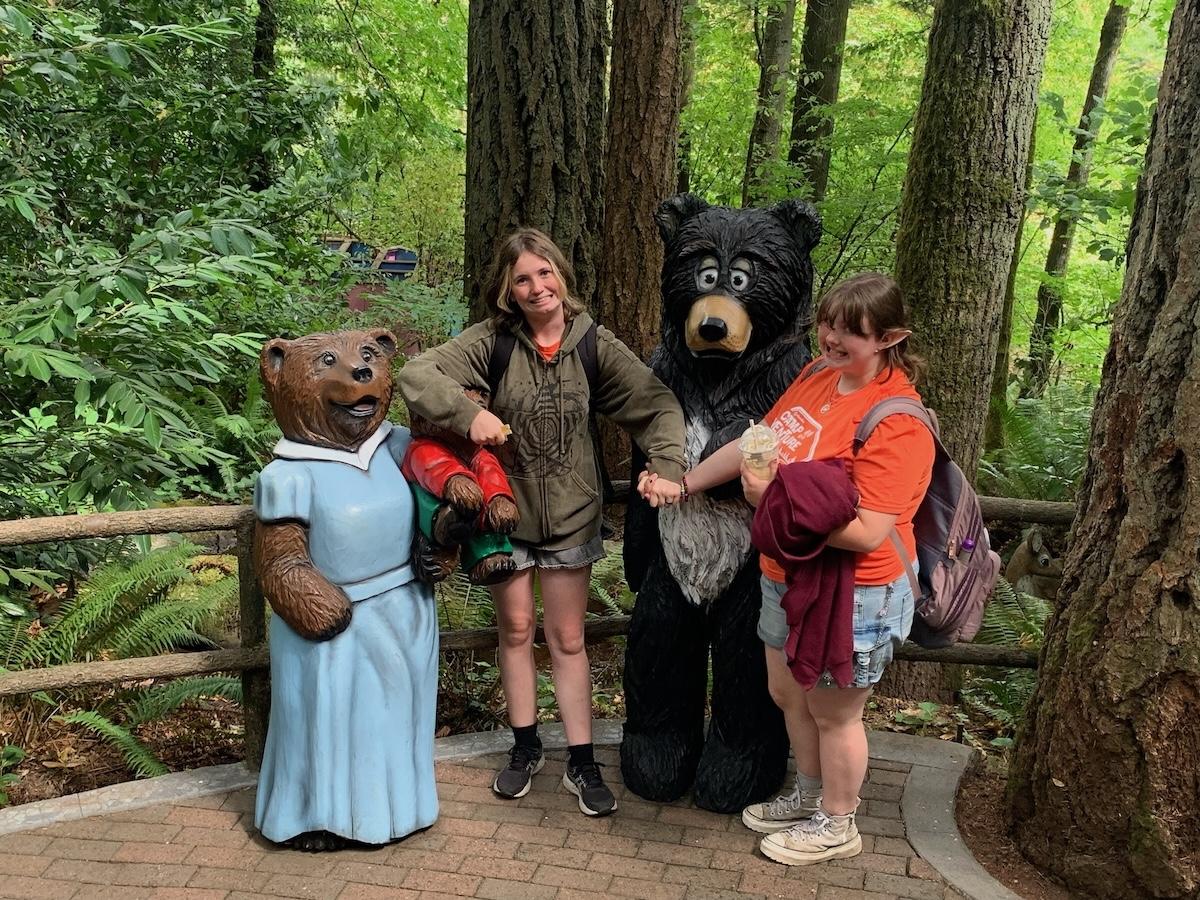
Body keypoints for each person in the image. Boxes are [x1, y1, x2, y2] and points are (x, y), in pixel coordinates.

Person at [641, 272, 934, 865]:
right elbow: (762, 441)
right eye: (827, 323)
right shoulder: (816, 376)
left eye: (851, 332)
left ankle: (837, 821)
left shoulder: (895, 420)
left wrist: (768, 501)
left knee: (835, 707)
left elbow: (868, 530)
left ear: (889, 337)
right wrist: (687, 481)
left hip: (857, 586)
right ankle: (808, 792)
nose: (830, 337)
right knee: (788, 691)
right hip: (787, 570)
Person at [399, 228, 686, 817]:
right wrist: (469, 413)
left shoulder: (592, 345)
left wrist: (665, 464)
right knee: (515, 631)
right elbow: (415, 376)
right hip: (502, 515)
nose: (536, 287)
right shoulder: (491, 344)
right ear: (508, 289)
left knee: (569, 639)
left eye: (544, 273)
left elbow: (655, 405)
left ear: (561, 275)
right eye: (522, 279)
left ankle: (582, 760)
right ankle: (525, 747)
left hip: (573, 516)